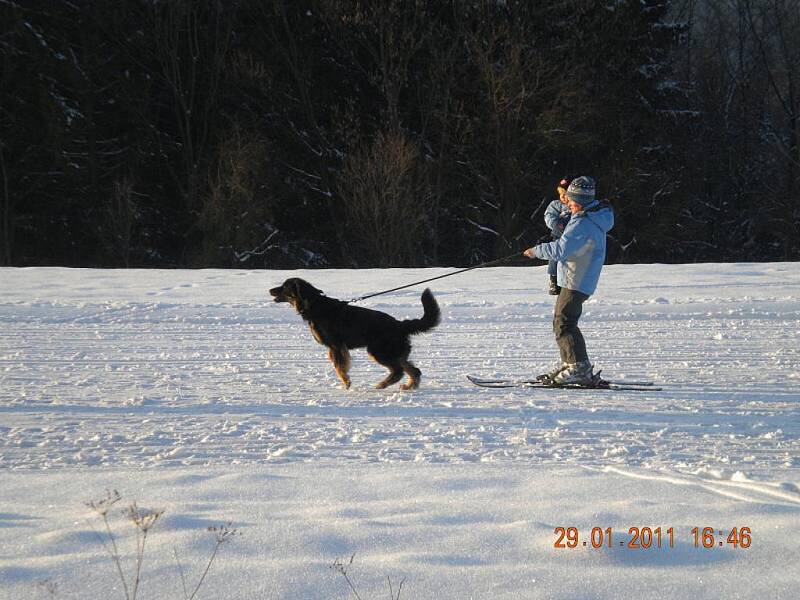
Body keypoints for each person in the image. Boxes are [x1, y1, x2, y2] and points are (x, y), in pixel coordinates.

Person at [523, 176, 614, 385]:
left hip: (577, 279)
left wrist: (535, 251)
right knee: (563, 321)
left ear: (580, 201)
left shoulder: (582, 222)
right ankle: (570, 363)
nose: (568, 204)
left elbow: (562, 250)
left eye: (571, 201)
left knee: (564, 323)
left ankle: (578, 367)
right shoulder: (591, 217)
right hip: (579, 277)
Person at [543, 178, 572, 295]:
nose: (563, 197)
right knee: (554, 256)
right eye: (561, 194)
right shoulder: (556, 205)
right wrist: (555, 224)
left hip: (573, 238)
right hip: (559, 237)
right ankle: (554, 279)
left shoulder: (577, 206)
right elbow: (548, 215)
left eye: (566, 194)